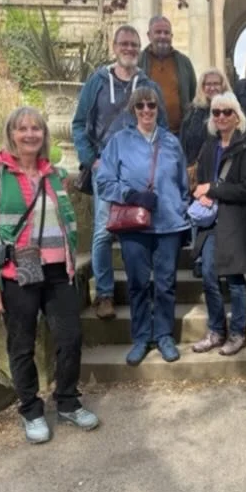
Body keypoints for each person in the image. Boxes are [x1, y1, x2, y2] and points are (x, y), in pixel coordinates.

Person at [0, 106, 97, 442]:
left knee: (70, 338)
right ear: (11, 133)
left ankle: (67, 401)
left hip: (58, 271)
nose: (30, 134)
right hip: (18, 273)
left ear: (44, 135)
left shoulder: (52, 173)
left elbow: (66, 221)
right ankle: (31, 408)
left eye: (36, 129)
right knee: (22, 344)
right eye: (22, 128)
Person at [72, 25, 166, 320]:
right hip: (106, 168)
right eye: (124, 43)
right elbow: (78, 125)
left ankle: (142, 287)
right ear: (114, 47)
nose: (129, 48)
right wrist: (92, 161)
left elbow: (159, 124)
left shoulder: (148, 83)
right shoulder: (97, 82)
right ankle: (104, 294)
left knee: (141, 227)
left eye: (134, 45)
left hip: (138, 169)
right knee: (102, 231)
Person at [95, 87, 189, 366]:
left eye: (151, 106)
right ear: (133, 110)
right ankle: (140, 337)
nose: (147, 110)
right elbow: (103, 181)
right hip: (134, 225)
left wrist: (180, 208)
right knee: (137, 283)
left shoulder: (171, 142)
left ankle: (163, 335)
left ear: (158, 109)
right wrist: (130, 195)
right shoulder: (119, 142)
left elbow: (183, 184)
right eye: (141, 106)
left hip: (168, 224)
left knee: (165, 284)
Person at [189, 91, 246, 357]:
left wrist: (214, 189)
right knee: (208, 274)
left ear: (237, 116)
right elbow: (204, 182)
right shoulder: (209, 147)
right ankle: (216, 329)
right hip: (211, 221)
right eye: (216, 112)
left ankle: (238, 332)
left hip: (236, 221)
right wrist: (203, 192)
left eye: (226, 112)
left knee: (234, 277)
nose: (221, 117)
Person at [138, 15, 197, 138]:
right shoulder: (138, 62)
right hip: (146, 135)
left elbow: (193, 95)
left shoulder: (184, 62)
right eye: (158, 32)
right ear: (149, 35)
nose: (163, 36)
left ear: (171, 36)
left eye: (166, 33)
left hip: (178, 135)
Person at [181, 68, 228, 166]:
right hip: (196, 168)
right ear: (202, 87)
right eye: (208, 84)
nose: (212, 88)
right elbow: (183, 144)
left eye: (216, 84)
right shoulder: (192, 112)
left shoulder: (231, 111)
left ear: (223, 86)